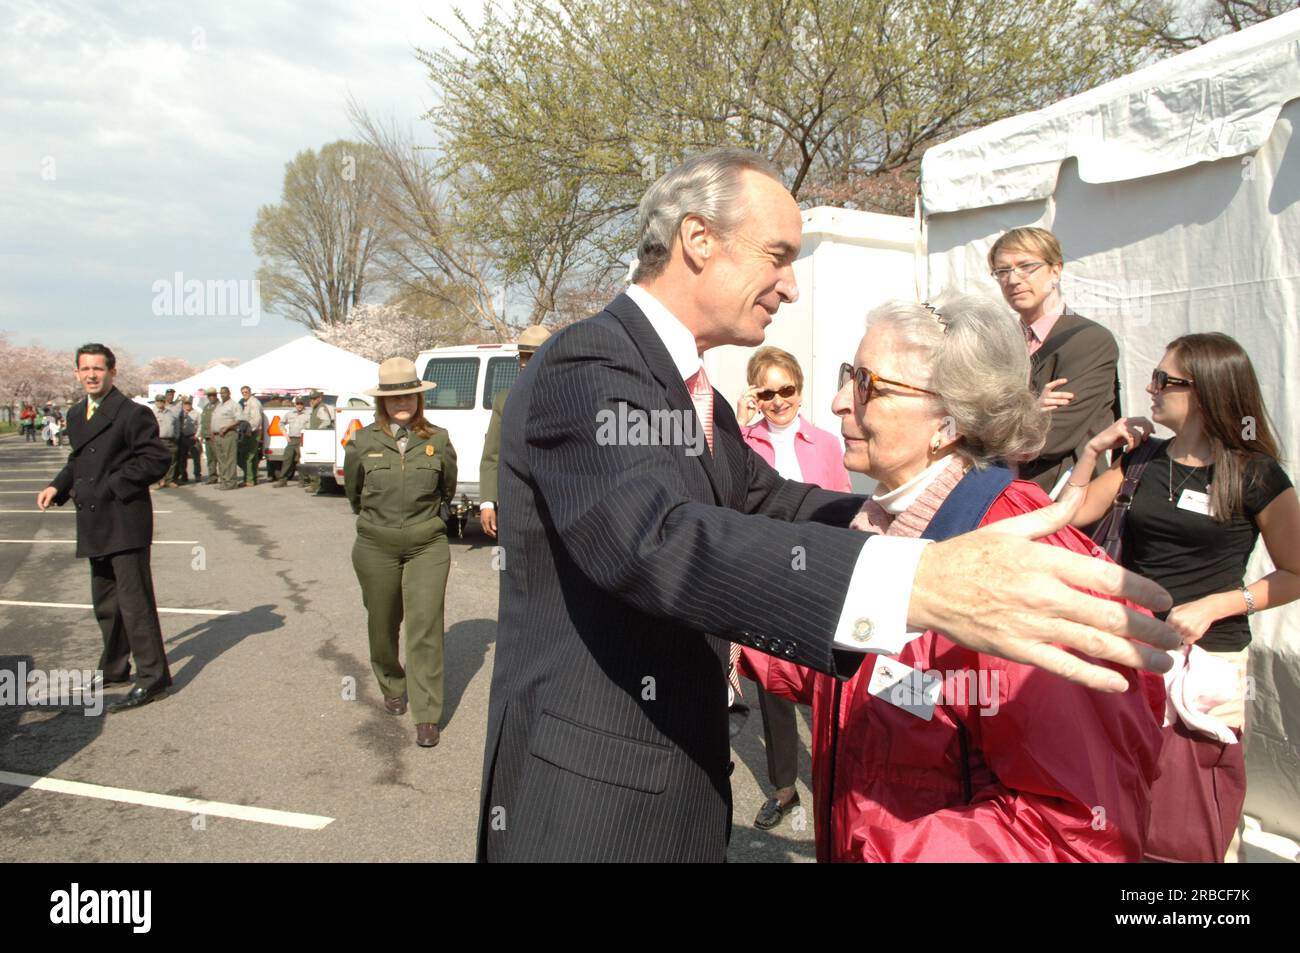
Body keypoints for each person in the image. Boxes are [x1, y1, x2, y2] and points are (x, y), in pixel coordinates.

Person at [475, 148, 1178, 863]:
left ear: (949, 420)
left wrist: (915, 527)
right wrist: (914, 573)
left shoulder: (1000, 549)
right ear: (697, 239)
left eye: (866, 382)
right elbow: (656, 539)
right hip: (592, 819)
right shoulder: (590, 362)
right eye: (779, 255)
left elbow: (773, 503)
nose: (791, 287)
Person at [739, 296, 1164, 861]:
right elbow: (859, 679)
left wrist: (875, 851)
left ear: (949, 422)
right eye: (848, 376)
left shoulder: (1022, 565)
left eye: (869, 384)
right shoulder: (888, 523)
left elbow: (1073, 837)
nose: (840, 401)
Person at [1062, 332, 1300, 862]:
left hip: (1209, 657)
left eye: (1164, 380)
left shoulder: (1255, 474)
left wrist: (1215, 606)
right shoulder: (1142, 459)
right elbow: (1072, 516)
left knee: (1196, 799)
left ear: (1206, 391)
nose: (1150, 388)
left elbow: (1296, 572)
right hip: (1131, 647)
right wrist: (1093, 450)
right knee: (1122, 785)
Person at [734, 345, 850, 830]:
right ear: (755, 394)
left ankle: (836, 785)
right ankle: (784, 791)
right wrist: (736, 429)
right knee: (775, 693)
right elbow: (720, 498)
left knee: (828, 686)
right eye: (768, 391)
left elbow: (844, 505)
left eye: (788, 389)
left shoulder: (824, 442)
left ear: (801, 391)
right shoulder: (738, 442)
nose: (780, 400)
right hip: (766, 578)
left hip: (816, 578)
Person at [36, 344, 175, 712]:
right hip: (94, 521)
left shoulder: (133, 414)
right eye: (85, 369)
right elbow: (78, 460)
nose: (92, 374)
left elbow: (157, 458)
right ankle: (114, 668)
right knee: (107, 603)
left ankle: (154, 678)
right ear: (77, 373)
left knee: (135, 604)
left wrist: (114, 485)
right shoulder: (77, 412)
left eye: (99, 368)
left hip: (124, 518)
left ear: (112, 372)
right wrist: (58, 485)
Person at [345, 358, 457, 748]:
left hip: (428, 543)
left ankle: (427, 714)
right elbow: (354, 494)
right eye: (392, 397)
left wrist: (426, 521)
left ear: (418, 396)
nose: (401, 403)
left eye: (407, 394)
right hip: (376, 544)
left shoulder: (438, 439)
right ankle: (392, 682)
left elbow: (447, 489)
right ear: (382, 402)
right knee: (382, 622)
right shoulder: (363, 441)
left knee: (425, 626)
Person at [990, 227, 1120, 495]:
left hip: (1062, 503)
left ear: (1056, 270)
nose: (1013, 279)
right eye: (1002, 271)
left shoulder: (1089, 341)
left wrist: (998, 418)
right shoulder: (1001, 346)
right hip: (999, 494)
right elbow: (966, 424)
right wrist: (1031, 410)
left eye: (1026, 266)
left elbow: (1050, 440)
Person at [479, 325, 552, 539]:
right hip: (517, 503)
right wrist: (487, 503)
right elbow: (492, 455)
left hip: (556, 504)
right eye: (524, 357)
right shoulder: (504, 400)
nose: (528, 363)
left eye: (535, 356)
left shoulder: (567, 397)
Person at [274, 397, 311, 487]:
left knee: (301, 460)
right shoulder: (290, 414)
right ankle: (283, 480)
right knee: (287, 459)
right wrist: (285, 434)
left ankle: (302, 481)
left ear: (304, 404)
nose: (299, 405)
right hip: (291, 439)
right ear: (295, 404)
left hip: (302, 440)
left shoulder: (308, 414)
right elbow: (281, 423)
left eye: (301, 404)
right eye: (298, 403)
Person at [211, 386, 241, 490]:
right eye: (221, 393)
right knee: (221, 459)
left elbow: (238, 420)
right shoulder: (219, 405)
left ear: (229, 393)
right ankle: (224, 481)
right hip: (217, 435)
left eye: (224, 392)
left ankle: (231, 482)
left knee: (229, 459)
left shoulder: (234, 405)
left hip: (228, 434)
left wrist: (227, 427)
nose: (222, 394)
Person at [237, 385, 264, 487]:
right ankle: (252, 478)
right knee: (252, 457)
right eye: (243, 392)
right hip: (248, 432)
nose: (245, 394)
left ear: (250, 392)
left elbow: (256, 419)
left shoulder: (254, 403)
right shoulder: (246, 402)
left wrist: (250, 430)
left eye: (246, 392)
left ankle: (249, 480)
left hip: (252, 432)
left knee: (248, 457)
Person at [151, 394, 180, 488]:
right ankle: (158, 481)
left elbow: (176, 425)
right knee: (158, 461)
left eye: (162, 401)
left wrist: (176, 435)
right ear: (155, 402)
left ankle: (169, 480)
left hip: (171, 440)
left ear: (165, 402)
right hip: (158, 440)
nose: (160, 403)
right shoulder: (152, 413)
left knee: (172, 461)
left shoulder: (170, 413)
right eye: (158, 401)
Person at [200, 388, 219, 484]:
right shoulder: (207, 407)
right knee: (210, 458)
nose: (211, 397)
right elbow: (203, 422)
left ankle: (224, 477)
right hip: (207, 436)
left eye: (213, 395)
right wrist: (202, 434)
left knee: (219, 457)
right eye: (209, 395)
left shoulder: (219, 406)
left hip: (216, 436)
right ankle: (212, 476)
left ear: (216, 395)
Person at [179, 398, 200, 483]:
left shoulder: (196, 413)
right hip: (183, 437)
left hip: (192, 436)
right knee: (182, 458)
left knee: (196, 457)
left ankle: (197, 475)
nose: (187, 405)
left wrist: (197, 435)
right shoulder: (181, 413)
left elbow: (200, 424)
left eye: (189, 404)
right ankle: (183, 475)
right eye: (186, 404)